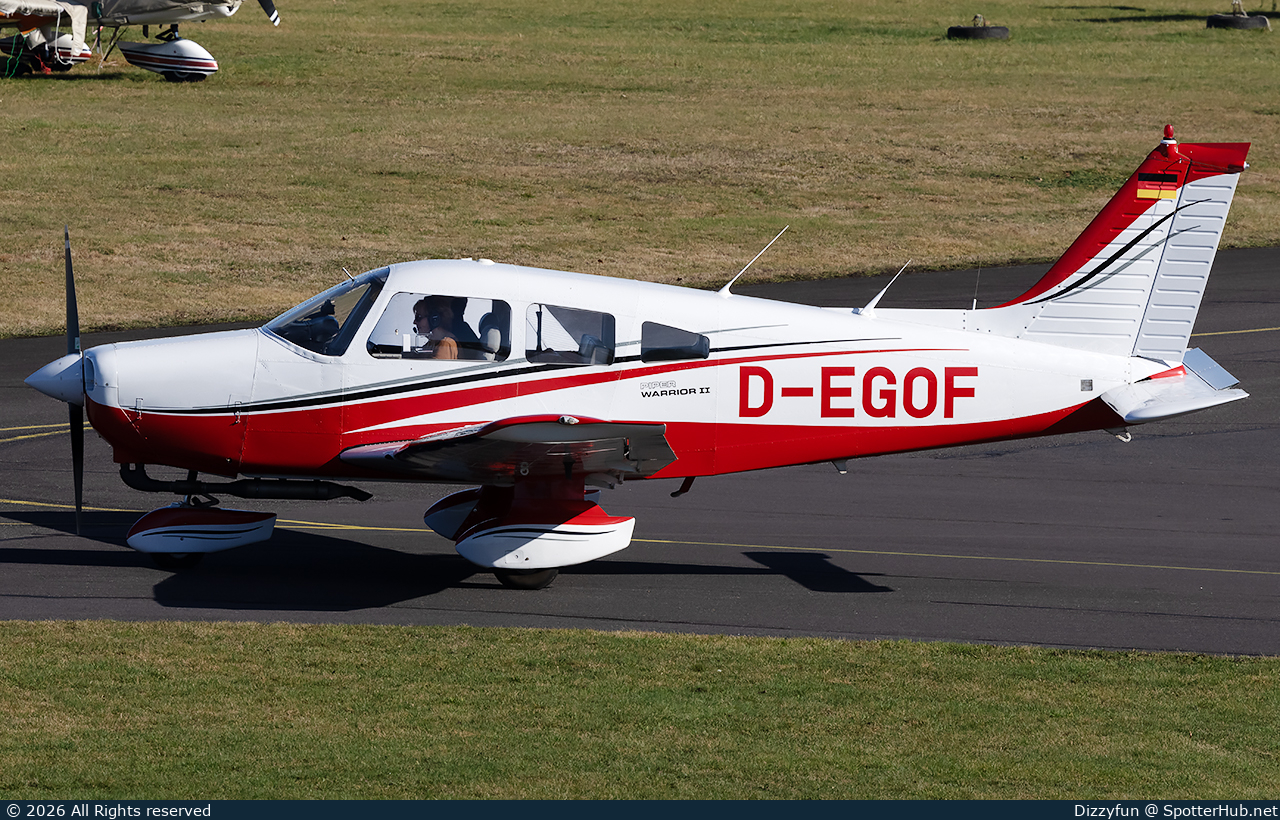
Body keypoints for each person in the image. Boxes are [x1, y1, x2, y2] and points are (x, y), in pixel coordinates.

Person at [411, 295, 458, 359]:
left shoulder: (446, 344)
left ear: (433, 319)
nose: (414, 322)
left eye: (418, 317)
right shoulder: (432, 344)